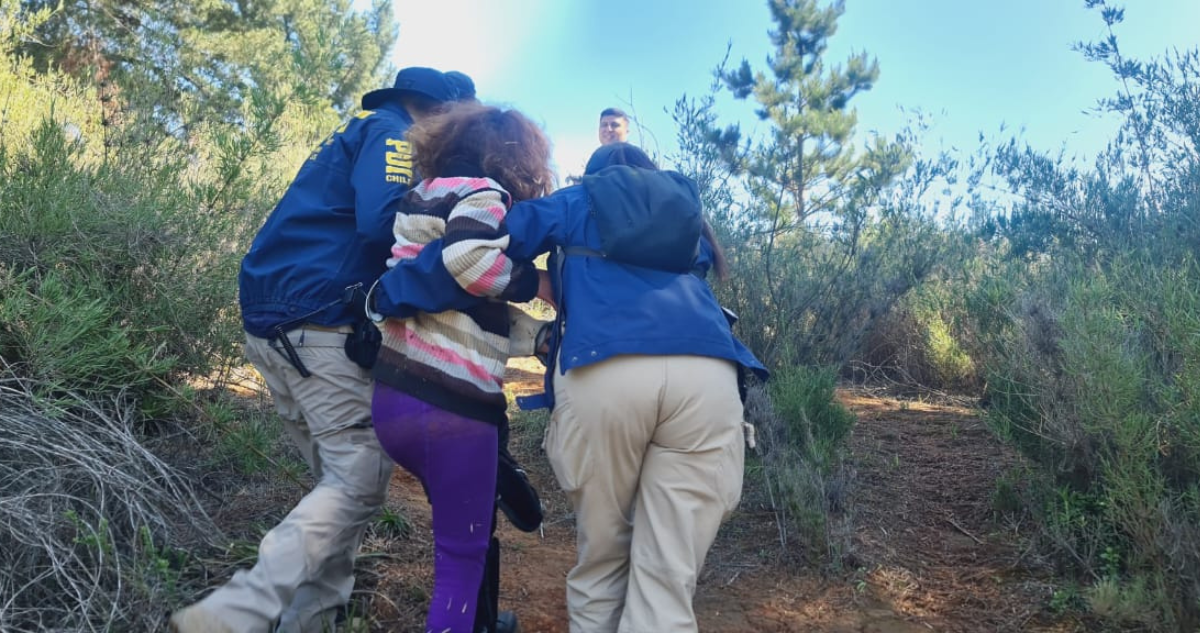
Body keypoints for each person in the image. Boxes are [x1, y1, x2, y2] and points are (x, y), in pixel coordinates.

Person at [382, 142, 767, 633]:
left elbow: (484, 244)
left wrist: (398, 288)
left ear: (595, 176)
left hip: (605, 371)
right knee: (669, 579)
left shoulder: (578, 199)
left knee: (603, 561)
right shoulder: (687, 221)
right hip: (709, 377)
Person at [169, 67, 470, 633]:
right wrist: (464, 241)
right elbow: (382, 221)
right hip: (317, 325)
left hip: (275, 325)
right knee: (356, 482)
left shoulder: (354, 136)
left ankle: (312, 620)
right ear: (435, 110)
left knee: (338, 490)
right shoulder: (393, 134)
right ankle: (238, 610)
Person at [365, 102, 554, 633]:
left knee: (460, 534)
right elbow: (468, 261)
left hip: (394, 398)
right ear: (518, 157)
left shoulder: (422, 196)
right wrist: (536, 284)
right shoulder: (485, 194)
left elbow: (463, 303)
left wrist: (536, 336)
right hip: (452, 410)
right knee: (459, 563)